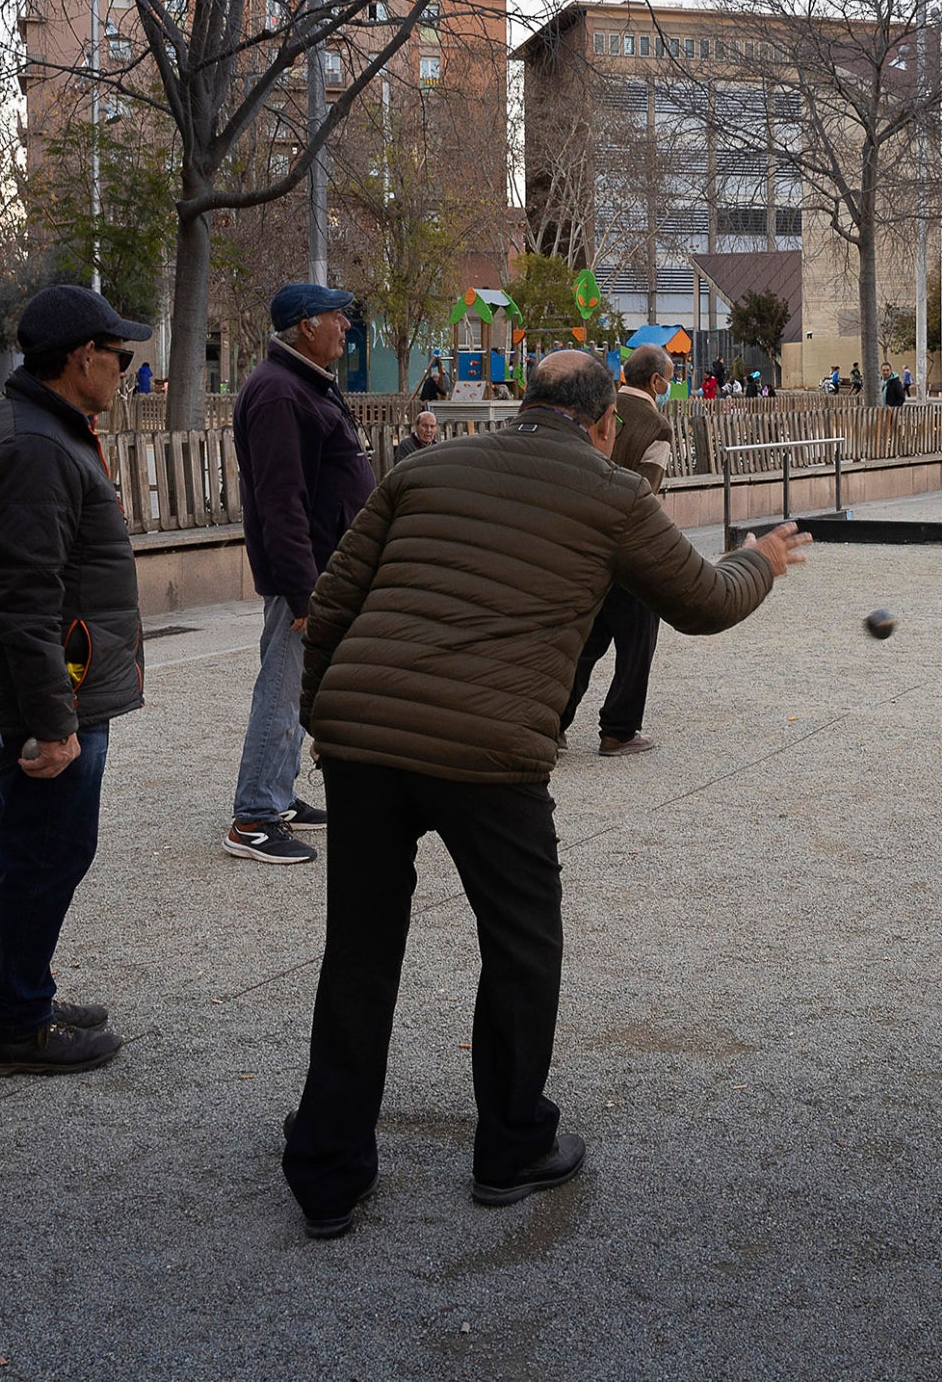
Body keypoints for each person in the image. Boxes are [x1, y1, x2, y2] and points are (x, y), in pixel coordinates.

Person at [280, 350, 809, 1238]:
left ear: (525, 405)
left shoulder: (426, 466)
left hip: (368, 737)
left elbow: (334, 599)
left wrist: (327, 721)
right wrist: (758, 559)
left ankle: (329, 1168)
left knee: (360, 951)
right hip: (490, 749)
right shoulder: (611, 492)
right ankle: (512, 1143)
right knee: (522, 945)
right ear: (605, 424)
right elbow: (704, 602)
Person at [0, 284, 150, 1079]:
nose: (125, 370)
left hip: (55, 685)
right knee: (47, 850)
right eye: (120, 356)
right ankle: (13, 1023)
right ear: (82, 359)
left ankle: (16, 991)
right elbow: (24, 599)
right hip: (47, 694)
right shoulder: (33, 445)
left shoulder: (41, 429)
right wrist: (54, 719)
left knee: (38, 848)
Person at [226, 283, 376, 865]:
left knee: (296, 686)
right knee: (283, 688)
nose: (345, 324)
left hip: (323, 567)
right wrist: (303, 591)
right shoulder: (279, 393)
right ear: (306, 326)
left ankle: (278, 796)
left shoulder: (301, 384)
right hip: (307, 574)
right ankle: (254, 817)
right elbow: (281, 500)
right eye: (336, 316)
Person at [559, 344, 676, 758]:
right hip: (629, 550)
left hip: (584, 542)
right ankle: (619, 730)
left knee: (585, 642)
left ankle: (551, 724)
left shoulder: (597, 406)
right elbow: (645, 492)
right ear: (656, 381)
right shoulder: (658, 426)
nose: (670, 384)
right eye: (670, 377)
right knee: (637, 643)